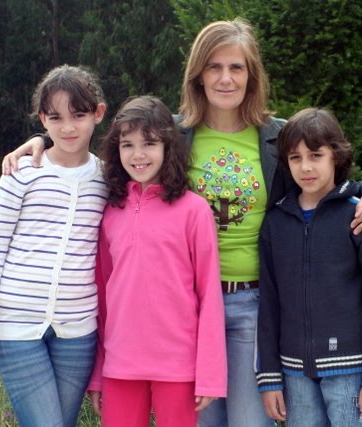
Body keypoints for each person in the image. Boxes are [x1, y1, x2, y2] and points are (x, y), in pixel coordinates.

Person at [2, 19, 362, 427]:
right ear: (198, 75)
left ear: (252, 75)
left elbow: (325, 171)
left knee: (248, 422)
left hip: (252, 305)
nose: (225, 78)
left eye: (236, 67)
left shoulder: (277, 138)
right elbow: (119, 151)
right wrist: (43, 143)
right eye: (214, 67)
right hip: (183, 311)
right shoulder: (173, 132)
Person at [0, 64, 108, 427]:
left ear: (98, 113)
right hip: (16, 326)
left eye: (78, 115)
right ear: (43, 119)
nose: (68, 127)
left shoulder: (108, 178)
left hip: (78, 329)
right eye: (56, 118)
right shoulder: (20, 173)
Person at [86, 96, 226, 427]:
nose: (138, 155)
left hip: (178, 367)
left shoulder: (194, 211)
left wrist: (209, 374)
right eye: (128, 145)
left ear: (167, 146)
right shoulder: (110, 213)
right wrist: (98, 373)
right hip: (120, 364)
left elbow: (209, 295)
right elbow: (103, 299)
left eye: (149, 143)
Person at [255, 108, 362, 426]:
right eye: (295, 158)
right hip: (295, 375)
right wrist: (269, 376)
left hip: (351, 371)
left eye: (316, 155)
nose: (306, 167)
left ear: (336, 156)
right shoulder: (275, 223)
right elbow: (268, 303)